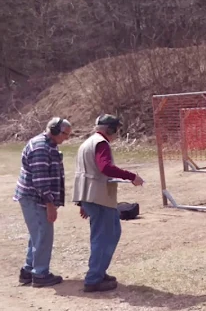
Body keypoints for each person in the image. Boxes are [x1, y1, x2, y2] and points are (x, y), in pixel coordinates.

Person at [73, 114, 144, 292]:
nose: (117, 133)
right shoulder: (101, 143)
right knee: (104, 237)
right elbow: (105, 168)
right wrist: (131, 176)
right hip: (99, 197)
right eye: (116, 129)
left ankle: (98, 271)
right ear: (110, 129)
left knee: (108, 234)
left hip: (91, 196)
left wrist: (83, 202)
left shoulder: (87, 143)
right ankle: (94, 278)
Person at [14, 117, 72, 287]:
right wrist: (50, 205)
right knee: (43, 235)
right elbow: (40, 181)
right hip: (35, 198)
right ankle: (40, 274)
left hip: (35, 198)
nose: (66, 138)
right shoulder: (40, 147)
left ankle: (28, 270)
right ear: (53, 130)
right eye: (64, 134)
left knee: (37, 234)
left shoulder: (49, 145)